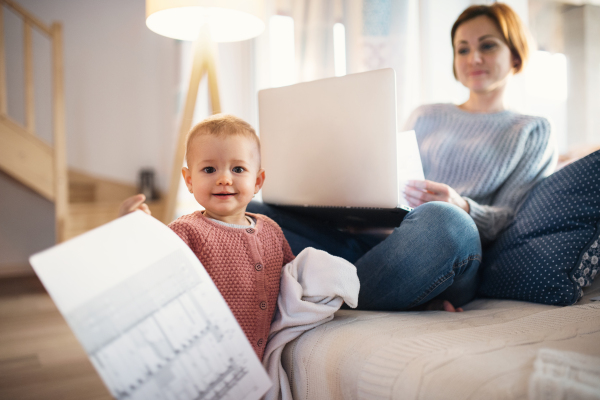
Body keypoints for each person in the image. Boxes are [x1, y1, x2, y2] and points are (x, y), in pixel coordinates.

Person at [248, 2, 555, 312]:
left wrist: (462, 206)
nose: (473, 58)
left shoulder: (532, 130)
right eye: (462, 50)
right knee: (251, 210)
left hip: (448, 248)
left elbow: (514, 219)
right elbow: (393, 179)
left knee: (446, 221)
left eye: (487, 46)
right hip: (384, 244)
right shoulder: (426, 116)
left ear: (515, 54)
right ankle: (389, 289)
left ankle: (340, 290)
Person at [120, 114, 295, 360]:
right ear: (190, 180)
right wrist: (136, 232)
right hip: (209, 358)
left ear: (257, 181)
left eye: (238, 169)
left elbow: (293, 280)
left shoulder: (271, 230)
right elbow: (152, 274)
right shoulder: (186, 232)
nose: (224, 178)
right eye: (209, 169)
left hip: (264, 360)